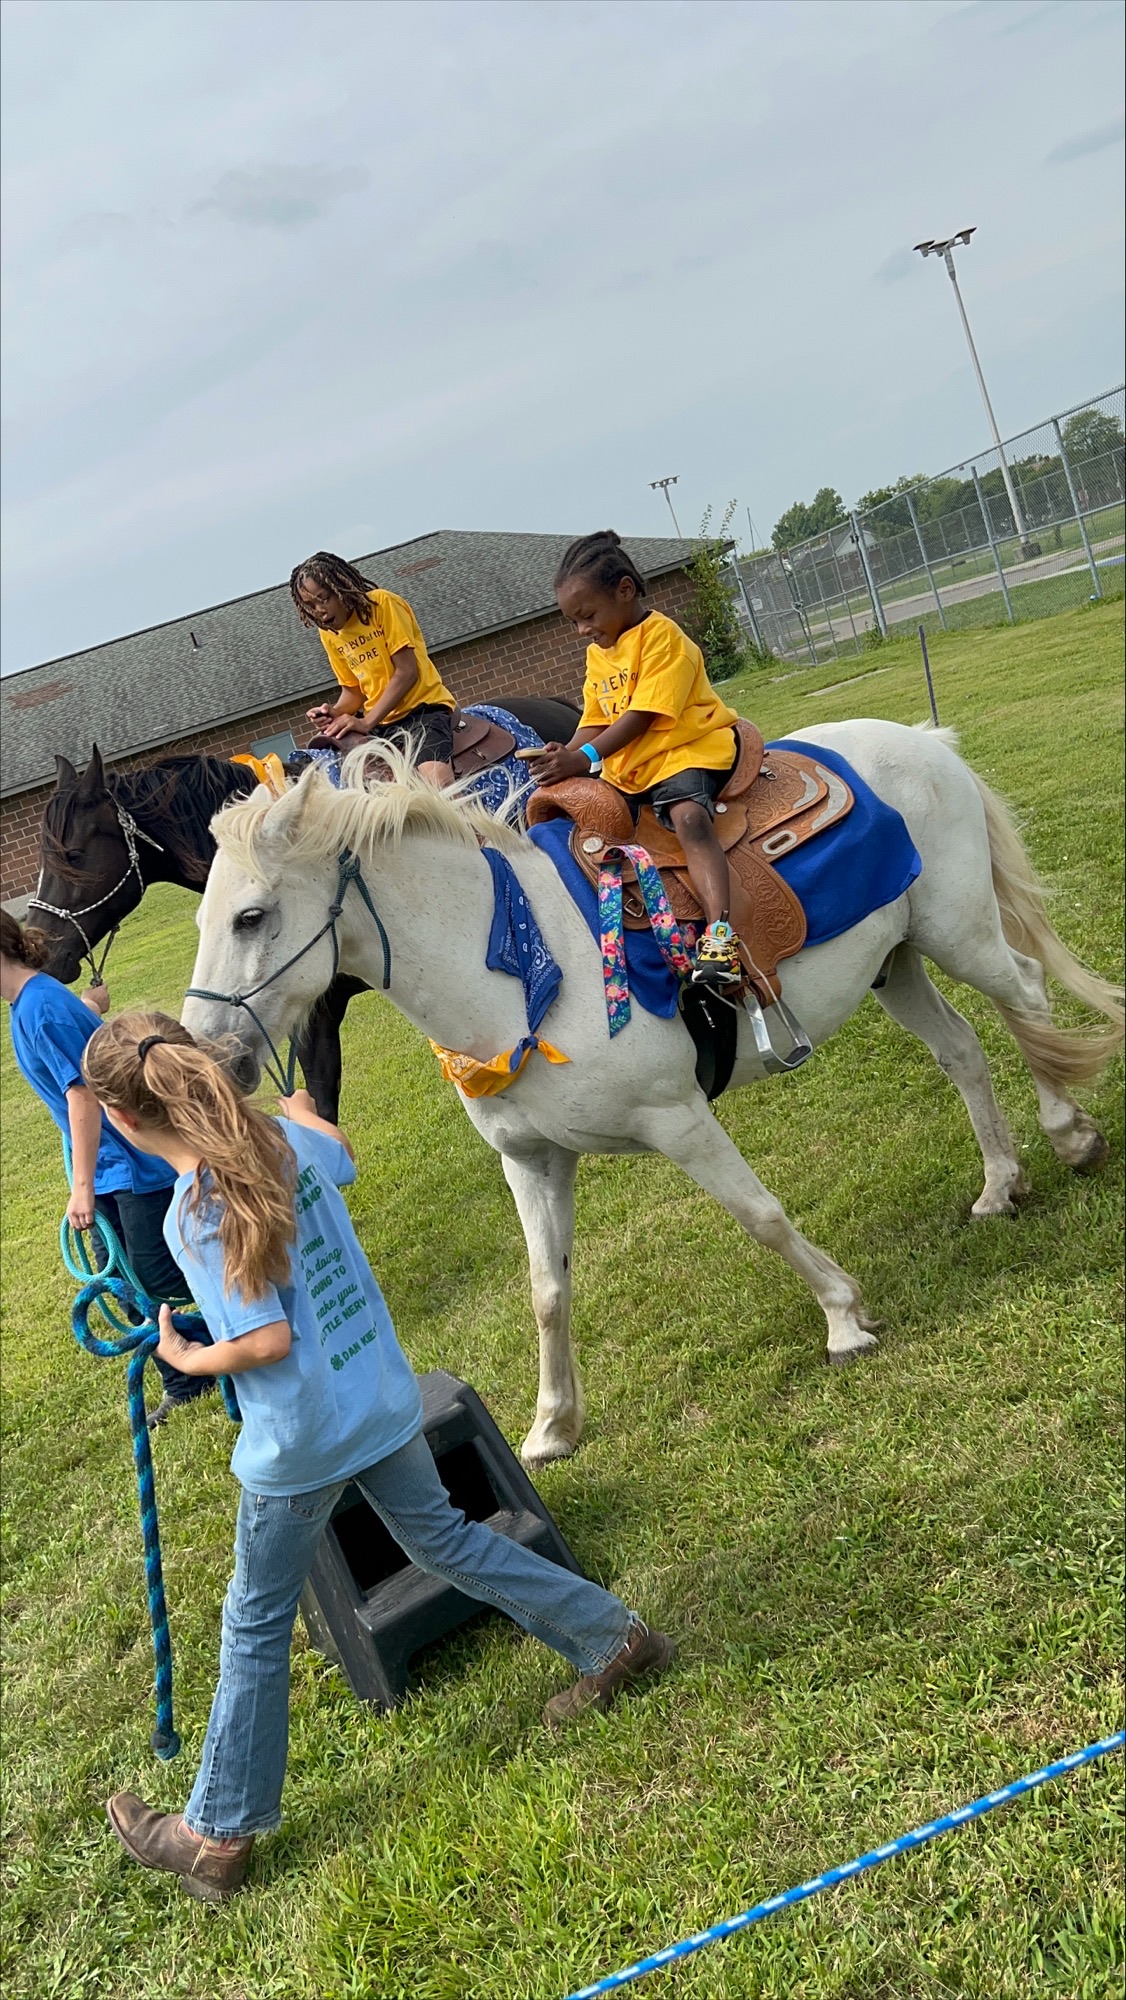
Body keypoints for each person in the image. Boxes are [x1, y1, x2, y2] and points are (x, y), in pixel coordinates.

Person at [82, 1011, 675, 1902]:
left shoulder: (192, 1215)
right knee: (446, 1541)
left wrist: (190, 1356)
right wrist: (305, 1113)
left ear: (123, 1120)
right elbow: (338, 1153)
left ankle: (215, 1837)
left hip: (302, 1444)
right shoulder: (286, 1141)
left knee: (253, 1623)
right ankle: (614, 1638)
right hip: (380, 1399)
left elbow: (268, 1339)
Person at [0, 912, 211, 1427]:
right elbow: (75, 1028)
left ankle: (235, 1345)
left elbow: (83, 1096)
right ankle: (185, 1380)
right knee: (121, 1279)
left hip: (134, 1165)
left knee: (158, 1280)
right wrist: (91, 1005)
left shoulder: (41, 1008)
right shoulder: (35, 1001)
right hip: (113, 1168)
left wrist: (81, 1188)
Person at [528, 531, 745, 989]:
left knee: (689, 820)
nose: (582, 630)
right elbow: (596, 718)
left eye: (587, 616)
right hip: (631, 769)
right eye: (573, 622)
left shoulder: (664, 637)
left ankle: (720, 938)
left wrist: (583, 757)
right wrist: (567, 753)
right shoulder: (598, 654)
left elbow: (641, 715)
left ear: (625, 590)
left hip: (685, 750)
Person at [292, 551, 457, 785]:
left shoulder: (382, 604)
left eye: (324, 598)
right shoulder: (329, 634)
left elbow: (407, 672)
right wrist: (335, 712)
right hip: (380, 725)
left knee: (438, 786)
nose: (319, 610)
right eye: (310, 605)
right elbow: (353, 692)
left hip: (423, 713)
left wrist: (366, 722)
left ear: (342, 587)